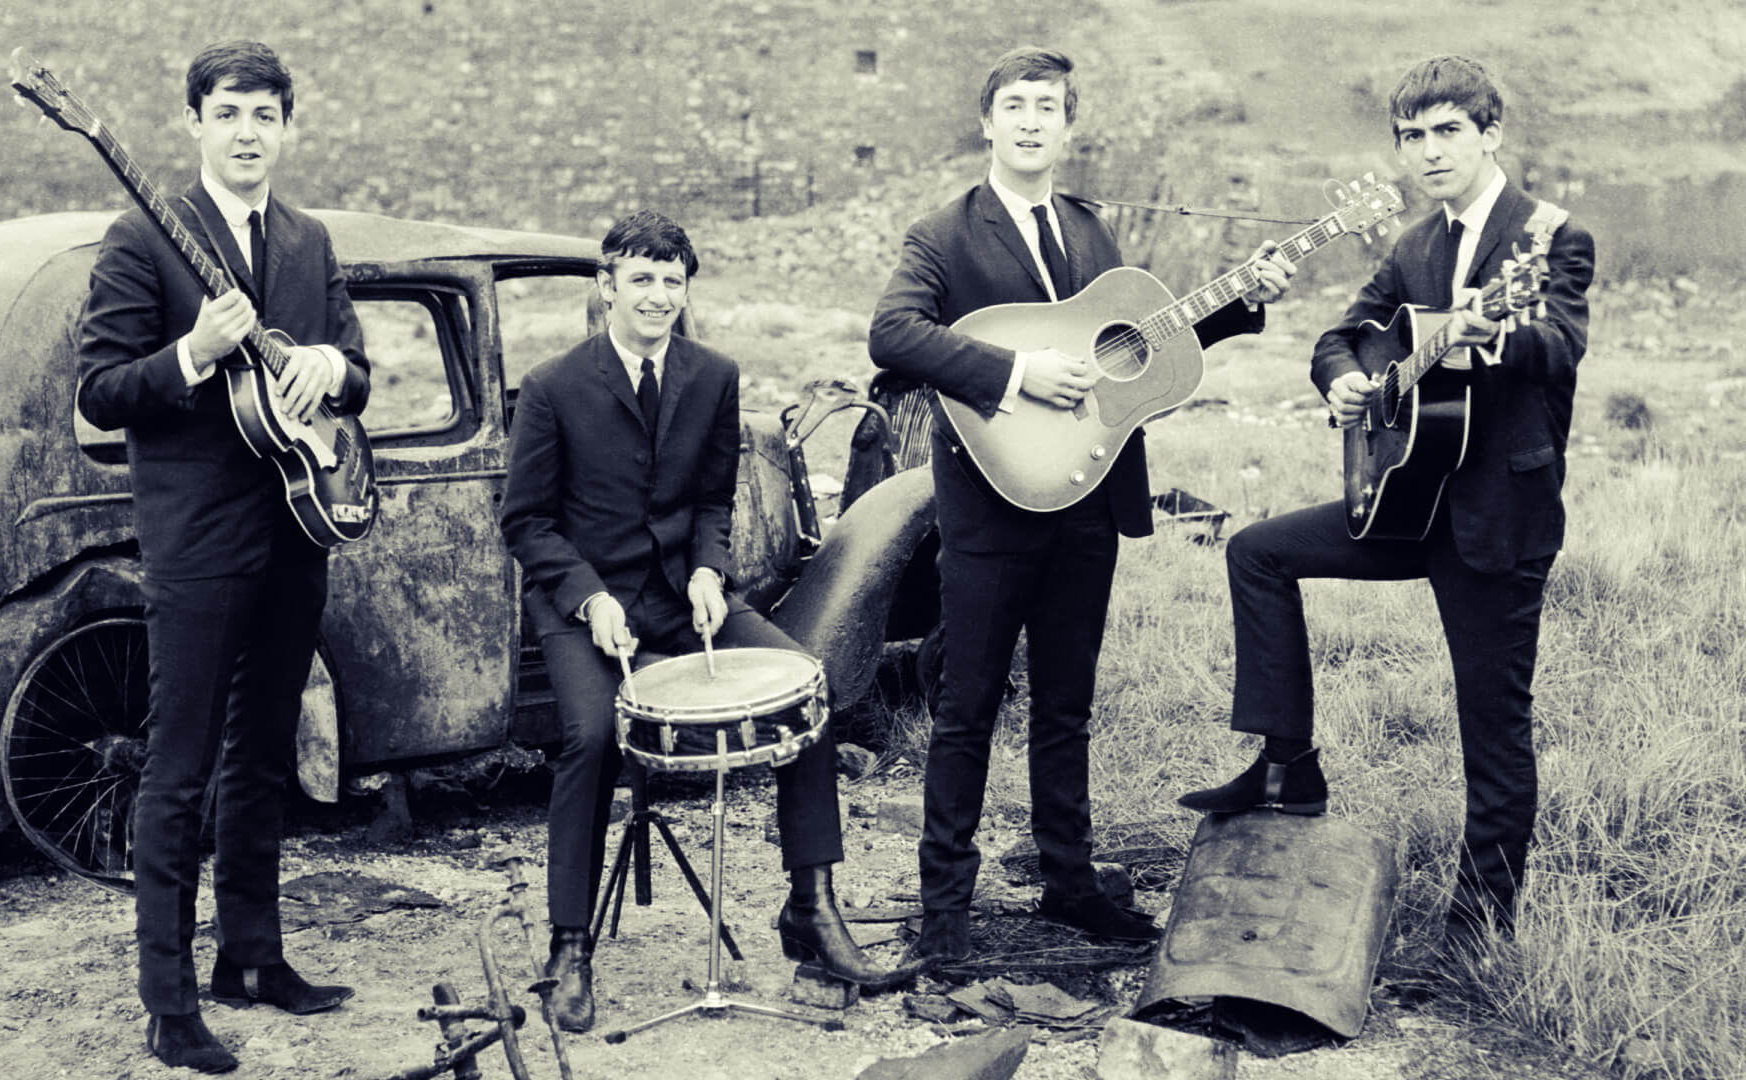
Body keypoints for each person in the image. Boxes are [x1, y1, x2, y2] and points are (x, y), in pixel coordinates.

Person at [868, 46, 1295, 964]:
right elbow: (893, 333)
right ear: (987, 122)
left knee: (1068, 706)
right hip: (986, 507)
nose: (1031, 120)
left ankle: (1069, 884)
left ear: (1068, 126)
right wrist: (1018, 370)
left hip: (1089, 500)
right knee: (965, 706)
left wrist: (1241, 300)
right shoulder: (942, 234)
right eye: (1015, 105)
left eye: (1048, 107)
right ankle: (945, 912)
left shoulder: (1092, 235)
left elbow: (1136, 344)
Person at [1177, 55, 1594, 955]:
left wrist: (1494, 332)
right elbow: (1339, 337)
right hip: (1405, 501)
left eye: (1449, 131)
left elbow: (1560, 346)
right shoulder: (1416, 244)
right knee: (1257, 550)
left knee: (1491, 724)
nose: (1429, 150)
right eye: (1413, 135)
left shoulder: (1550, 235)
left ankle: (1476, 932)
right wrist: (1352, 383)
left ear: (1491, 135)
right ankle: (1288, 766)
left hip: (1494, 520)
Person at [499, 210, 919, 1033]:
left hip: (684, 599)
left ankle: (811, 907)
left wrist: (705, 567)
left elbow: (710, 500)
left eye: (672, 281)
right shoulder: (553, 386)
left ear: (686, 290)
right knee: (589, 737)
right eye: (641, 279)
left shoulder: (715, 373)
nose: (657, 296)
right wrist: (591, 597)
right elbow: (527, 524)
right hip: (583, 607)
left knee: (807, 685)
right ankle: (569, 947)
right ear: (607, 286)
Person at [78, 40, 368, 1074]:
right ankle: (169, 1002)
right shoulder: (140, 239)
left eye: (266, 115)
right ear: (195, 123)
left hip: (297, 525)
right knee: (179, 764)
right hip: (197, 540)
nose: (249, 133)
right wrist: (195, 353)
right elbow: (100, 393)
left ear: (288, 127)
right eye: (229, 113)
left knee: (264, 752)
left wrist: (333, 364)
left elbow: (360, 374)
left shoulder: (307, 238)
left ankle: (252, 955)